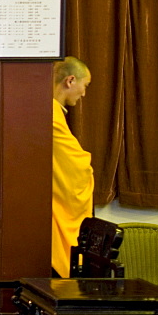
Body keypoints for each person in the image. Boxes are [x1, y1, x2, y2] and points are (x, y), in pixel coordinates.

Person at [52, 56, 94, 277]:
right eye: (84, 86)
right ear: (70, 81)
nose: (84, 94)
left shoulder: (53, 112)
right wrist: (86, 165)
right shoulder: (51, 115)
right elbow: (76, 166)